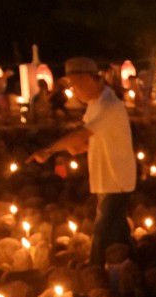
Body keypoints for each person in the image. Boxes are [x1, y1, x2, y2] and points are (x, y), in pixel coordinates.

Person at [28, 57, 136, 265]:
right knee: (118, 229)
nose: (74, 92)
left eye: (75, 86)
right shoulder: (95, 105)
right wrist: (76, 147)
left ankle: (94, 269)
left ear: (88, 79)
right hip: (106, 177)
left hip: (116, 179)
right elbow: (89, 139)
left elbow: (83, 133)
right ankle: (130, 262)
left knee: (102, 230)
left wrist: (50, 150)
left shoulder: (109, 105)